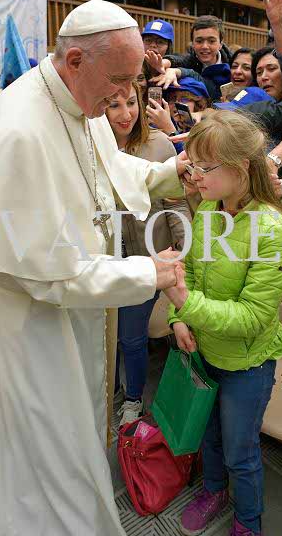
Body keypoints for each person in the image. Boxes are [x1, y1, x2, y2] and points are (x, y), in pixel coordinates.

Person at [0, 0, 189, 536]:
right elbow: (43, 274)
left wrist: (174, 170)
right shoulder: (20, 131)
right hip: (30, 328)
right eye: (118, 80)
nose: (123, 95)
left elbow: (110, 167)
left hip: (73, 310)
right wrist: (147, 274)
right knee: (45, 463)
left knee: (76, 444)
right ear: (75, 60)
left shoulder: (79, 103)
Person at [164, 110, 282, 536]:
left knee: (241, 449)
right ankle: (214, 491)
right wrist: (178, 319)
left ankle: (248, 520)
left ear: (240, 168)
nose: (194, 176)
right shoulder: (208, 209)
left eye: (204, 167)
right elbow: (190, 271)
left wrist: (184, 304)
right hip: (204, 349)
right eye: (192, 165)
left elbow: (253, 318)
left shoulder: (273, 231)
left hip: (247, 364)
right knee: (209, 434)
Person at [105, 81, 191, 425]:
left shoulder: (158, 144)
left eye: (131, 103)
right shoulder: (92, 148)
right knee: (105, 335)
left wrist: (182, 251)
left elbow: (177, 203)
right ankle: (108, 389)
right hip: (106, 259)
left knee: (131, 337)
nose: (125, 114)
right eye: (113, 105)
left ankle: (133, 398)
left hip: (148, 259)